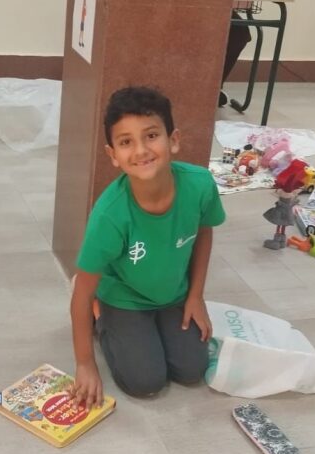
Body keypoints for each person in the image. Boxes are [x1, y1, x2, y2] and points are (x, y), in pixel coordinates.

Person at [70, 86, 226, 407]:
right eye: (126, 142)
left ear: (173, 140)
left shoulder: (199, 185)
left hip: (174, 295)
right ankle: (104, 318)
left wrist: (195, 296)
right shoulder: (110, 214)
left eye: (151, 135)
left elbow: (204, 232)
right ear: (113, 155)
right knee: (145, 382)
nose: (141, 150)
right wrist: (85, 364)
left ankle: (153, 326)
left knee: (192, 370)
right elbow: (82, 292)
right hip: (123, 297)